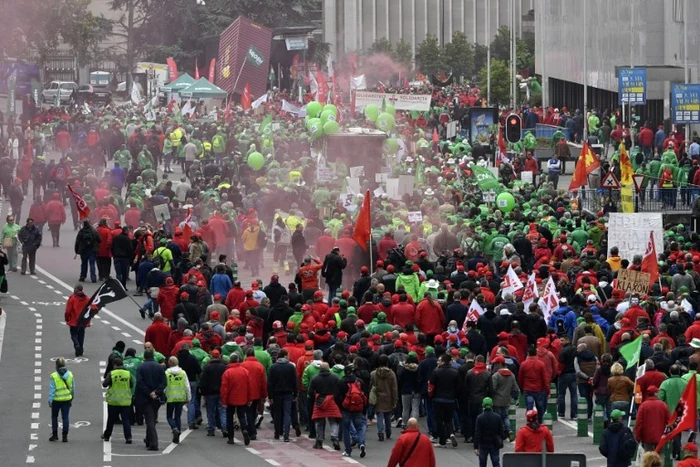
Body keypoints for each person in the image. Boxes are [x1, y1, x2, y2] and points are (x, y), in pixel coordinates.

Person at [135, 349, 167, 451]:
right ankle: (148, 440)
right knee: (152, 418)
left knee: (150, 420)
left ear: (144, 357)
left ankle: (154, 443)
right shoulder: (159, 367)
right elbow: (164, 382)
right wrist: (157, 392)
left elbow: (139, 382)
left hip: (145, 397)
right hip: (157, 398)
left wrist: (148, 393)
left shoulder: (141, 367)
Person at [220, 353, 253, 445]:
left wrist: (224, 401)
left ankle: (231, 438)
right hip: (242, 398)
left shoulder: (227, 372)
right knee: (242, 416)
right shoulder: (245, 371)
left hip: (231, 399)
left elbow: (224, 388)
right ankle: (244, 430)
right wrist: (250, 399)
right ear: (238, 360)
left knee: (229, 418)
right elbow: (250, 386)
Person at [336, 363, 368, 458]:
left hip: (346, 409)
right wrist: (364, 408)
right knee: (361, 427)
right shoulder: (359, 381)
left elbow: (336, 397)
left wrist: (340, 407)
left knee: (346, 429)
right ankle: (361, 443)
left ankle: (348, 450)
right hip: (358, 408)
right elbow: (364, 395)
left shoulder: (341, 382)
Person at [430, 353, 460, 448]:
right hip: (450, 399)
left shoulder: (436, 372)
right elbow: (459, 387)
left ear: (443, 361)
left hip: (438, 398)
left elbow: (431, 386)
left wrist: (431, 396)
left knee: (439, 420)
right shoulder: (455, 372)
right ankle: (451, 433)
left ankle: (442, 441)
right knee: (448, 419)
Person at [101, 356, 134, 443]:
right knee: (126, 419)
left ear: (114, 365)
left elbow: (104, 384)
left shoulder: (112, 373)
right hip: (125, 400)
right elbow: (131, 384)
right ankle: (128, 437)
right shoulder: (127, 373)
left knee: (111, 419)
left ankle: (107, 435)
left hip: (114, 400)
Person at [309, 361, 342, 450]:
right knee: (334, 421)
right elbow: (339, 390)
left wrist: (314, 399)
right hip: (331, 401)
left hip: (319, 401)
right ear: (328, 368)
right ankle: (334, 438)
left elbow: (310, 392)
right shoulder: (334, 378)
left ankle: (319, 441)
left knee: (319, 422)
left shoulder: (315, 378)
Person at [267, 349, 298, 441]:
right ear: (284, 356)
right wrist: (295, 393)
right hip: (288, 393)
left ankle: (277, 432)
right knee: (287, 413)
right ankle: (286, 434)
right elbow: (294, 381)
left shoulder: (273, 367)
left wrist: (270, 396)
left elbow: (270, 383)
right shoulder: (290, 367)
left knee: (277, 413)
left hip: (276, 393)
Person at [370, 354, 398, 443]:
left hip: (378, 396)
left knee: (379, 416)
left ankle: (380, 433)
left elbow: (371, 385)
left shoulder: (374, 373)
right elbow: (394, 388)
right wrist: (395, 400)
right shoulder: (391, 374)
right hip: (388, 396)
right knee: (387, 415)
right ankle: (388, 432)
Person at [199, 349, 227, 437]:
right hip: (221, 392)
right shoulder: (224, 367)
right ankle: (224, 428)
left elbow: (203, 380)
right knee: (222, 411)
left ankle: (211, 429)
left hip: (210, 393)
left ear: (211, 356)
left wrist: (203, 392)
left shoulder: (207, 367)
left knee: (210, 411)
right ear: (219, 356)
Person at [634, 385, 670, 452]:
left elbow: (639, 422)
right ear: (655, 393)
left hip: (646, 437)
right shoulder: (663, 405)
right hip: (660, 437)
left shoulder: (643, 405)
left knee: (648, 458)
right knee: (658, 458)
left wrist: (638, 437)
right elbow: (669, 421)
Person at [474, 397, 507, 467]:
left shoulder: (480, 418)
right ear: (492, 405)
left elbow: (477, 433)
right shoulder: (497, 417)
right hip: (494, 443)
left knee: (482, 463)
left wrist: (476, 446)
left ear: (483, 405)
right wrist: (500, 439)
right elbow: (501, 431)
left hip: (483, 443)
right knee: (496, 462)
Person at [165, 356, 191, 444]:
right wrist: (188, 397)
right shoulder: (183, 373)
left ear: (170, 362)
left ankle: (174, 428)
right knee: (177, 417)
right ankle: (178, 436)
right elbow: (187, 386)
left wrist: (163, 395)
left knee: (169, 416)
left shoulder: (167, 373)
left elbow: (164, 385)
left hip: (171, 397)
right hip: (180, 397)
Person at [48, 357, 74, 442]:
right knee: (65, 417)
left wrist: (50, 400)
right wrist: (71, 397)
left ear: (56, 365)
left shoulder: (54, 376)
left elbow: (52, 389)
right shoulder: (70, 375)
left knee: (54, 417)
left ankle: (55, 434)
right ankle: (65, 436)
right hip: (67, 399)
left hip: (56, 400)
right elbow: (73, 388)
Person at [64, 284, 91, 356]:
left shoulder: (72, 298)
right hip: (83, 321)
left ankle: (76, 345)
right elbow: (90, 309)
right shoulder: (87, 299)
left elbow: (68, 311)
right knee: (81, 335)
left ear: (76, 290)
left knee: (73, 334)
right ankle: (81, 349)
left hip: (74, 320)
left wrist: (67, 319)